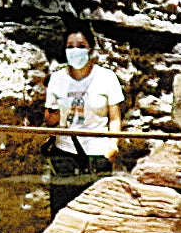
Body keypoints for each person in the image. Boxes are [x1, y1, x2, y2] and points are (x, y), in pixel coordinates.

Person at [41, 24, 123, 214]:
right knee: (63, 209)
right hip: (65, 152)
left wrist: (113, 146)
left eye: (80, 46)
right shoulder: (57, 79)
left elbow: (114, 117)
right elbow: (50, 120)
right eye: (70, 46)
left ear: (91, 49)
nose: (75, 51)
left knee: (96, 212)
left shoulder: (106, 78)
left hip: (97, 153)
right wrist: (52, 114)